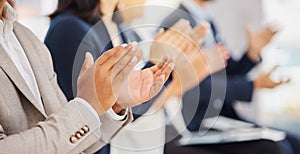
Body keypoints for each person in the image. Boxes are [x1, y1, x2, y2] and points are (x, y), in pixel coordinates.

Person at [0, 1, 173, 153]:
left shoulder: (25, 38)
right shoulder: (69, 29)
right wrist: (88, 107)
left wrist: (112, 104)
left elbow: (72, 141)